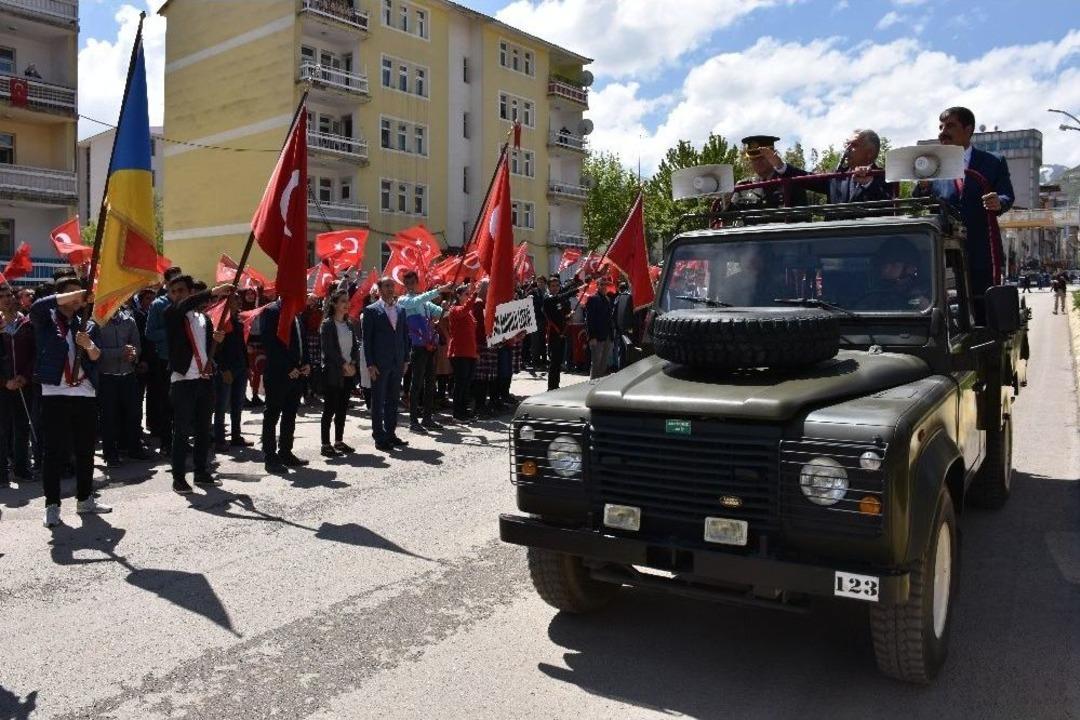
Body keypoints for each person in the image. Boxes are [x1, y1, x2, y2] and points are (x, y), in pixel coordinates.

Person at [30, 279, 110, 527]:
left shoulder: (87, 324)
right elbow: (37, 306)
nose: (77, 299)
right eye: (71, 294)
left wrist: (89, 345)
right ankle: (52, 505)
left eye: (79, 294)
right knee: (54, 452)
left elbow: (97, 357)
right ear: (60, 296)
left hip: (84, 392)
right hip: (55, 392)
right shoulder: (46, 318)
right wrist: (78, 293)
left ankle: (85, 499)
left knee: (85, 450)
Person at [914, 106, 1014, 304]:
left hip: (982, 254)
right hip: (944, 255)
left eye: (950, 126)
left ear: (968, 130)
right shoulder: (933, 166)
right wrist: (923, 186)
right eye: (940, 127)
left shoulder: (993, 162)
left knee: (981, 311)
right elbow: (919, 198)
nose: (942, 132)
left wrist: (997, 202)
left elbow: (1006, 196)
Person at [164, 276, 230, 493]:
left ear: (190, 292)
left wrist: (217, 343)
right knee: (182, 430)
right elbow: (184, 306)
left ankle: (201, 472)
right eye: (172, 292)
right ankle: (178, 477)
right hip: (183, 380)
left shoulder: (204, 319)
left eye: (181, 291)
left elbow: (208, 350)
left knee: (203, 429)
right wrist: (215, 290)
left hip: (204, 379)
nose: (176, 295)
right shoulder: (172, 314)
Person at [261, 296, 311, 473]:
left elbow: (301, 341)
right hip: (278, 374)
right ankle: (270, 455)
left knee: (290, 414)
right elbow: (270, 344)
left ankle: (285, 451)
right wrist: (287, 368)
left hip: (297, 374)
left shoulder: (296, 313)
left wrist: (306, 362)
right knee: (272, 414)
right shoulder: (272, 311)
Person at [398, 271, 452, 432]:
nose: (410, 285)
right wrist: (439, 290)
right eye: (407, 283)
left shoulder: (425, 303)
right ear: (404, 284)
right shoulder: (404, 300)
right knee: (416, 384)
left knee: (430, 383)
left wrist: (446, 306)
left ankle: (427, 418)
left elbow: (444, 313)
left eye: (413, 282)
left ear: (417, 282)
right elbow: (415, 301)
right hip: (417, 347)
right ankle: (413, 421)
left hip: (430, 345)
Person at [96, 299, 147, 468]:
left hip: (128, 374)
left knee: (134, 412)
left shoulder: (129, 320)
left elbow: (137, 346)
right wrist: (120, 352)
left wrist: (133, 354)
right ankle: (110, 453)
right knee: (108, 416)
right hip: (106, 376)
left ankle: (134, 447)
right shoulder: (96, 322)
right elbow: (96, 351)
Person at [363, 277, 410, 452]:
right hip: (379, 364)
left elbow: (404, 336)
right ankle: (379, 436)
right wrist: (370, 363)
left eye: (393, 286)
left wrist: (406, 359)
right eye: (387, 286)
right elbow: (367, 341)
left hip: (397, 362)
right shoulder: (371, 311)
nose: (391, 289)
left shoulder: (401, 310)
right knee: (378, 400)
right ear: (380, 289)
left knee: (393, 399)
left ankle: (391, 433)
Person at [144, 266, 183, 454]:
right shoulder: (158, 305)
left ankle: (181, 440)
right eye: (174, 282)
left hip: (184, 360)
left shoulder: (186, 304)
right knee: (166, 403)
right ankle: (167, 442)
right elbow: (150, 333)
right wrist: (170, 332)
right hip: (165, 359)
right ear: (166, 284)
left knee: (182, 403)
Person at [0, 283, 34, 486]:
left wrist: (24, 376)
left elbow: (34, 353)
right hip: (2, 387)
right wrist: (5, 382)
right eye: (1, 295)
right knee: (1, 430)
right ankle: (2, 473)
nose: (6, 298)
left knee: (22, 427)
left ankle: (21, 469)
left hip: (22, 385)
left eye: (9, 294)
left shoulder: (26, 322)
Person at [319, 289, 360, 457]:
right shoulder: (327, 324)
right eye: (343, 301)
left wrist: (353, 363)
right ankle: (325, 444)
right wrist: (344, 364)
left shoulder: (349, 323)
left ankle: (338, 441)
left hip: (348, 371)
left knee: (342, 407)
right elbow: (328, 350)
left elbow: (355, 346)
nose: (346, 304)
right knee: (330, 408)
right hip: (333, 372)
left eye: (347, 301)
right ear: (334, 304)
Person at [804, 129, 892, 204]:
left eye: (853, 145)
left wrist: (868, 184)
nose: (847, 149)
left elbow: (890, 209)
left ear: (870, 153)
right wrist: (789, 169)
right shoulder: (836, 177)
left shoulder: (886, 177)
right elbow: (807, 179)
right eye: (846, 144)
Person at [213, 292, 251, 451]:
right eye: (235, 298)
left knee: (238, 404)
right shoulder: (221, 321)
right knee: (221, 406)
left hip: (240, 368)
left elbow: (242, 346)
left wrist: (247, 366)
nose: (238, 300)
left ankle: (236, 436)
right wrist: (223, 369)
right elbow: (217, 349)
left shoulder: (238, 321)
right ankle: (219, 439)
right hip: (226, 369)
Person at [729, 135, 809, 209]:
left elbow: (802, 218)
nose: (758, 162)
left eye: (762, 158)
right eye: (754, 159)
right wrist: (725, 202)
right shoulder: (743, 187)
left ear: (773, 156)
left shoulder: (791, 182)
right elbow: (731, 212)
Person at [445, 284, 478, 420]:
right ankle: (458, 413)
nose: (468, 296)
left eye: (469, 294)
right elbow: (464, 310)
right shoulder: (454, 309)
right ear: (458, 296)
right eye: (466, 294)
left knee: (466, 384)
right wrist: (475, 295)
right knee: (461, 383)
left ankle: (464, 412)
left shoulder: (467, 311)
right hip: (459, 352)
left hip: (470, 352)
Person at [543, 275, 581, 391]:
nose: (555, 288)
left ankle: (556, 385)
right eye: (553, 286)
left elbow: (565, 313)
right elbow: (562, 296)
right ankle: (551, 387)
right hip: (554, 334)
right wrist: (579, 287)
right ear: (548, 287)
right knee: (554, 362)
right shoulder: (548, 299)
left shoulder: (561, 300)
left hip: (563, 333)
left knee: (559, 361)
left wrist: (569, 316)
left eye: (557, 286)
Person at [585, 278, 615, 379]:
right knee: (596, 363)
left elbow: (609, 318)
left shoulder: (607, 299)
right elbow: (589, 319)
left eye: (605, 285)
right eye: (601, 284)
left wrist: (611, 336)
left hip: (607, 336)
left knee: (604, 363)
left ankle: (600, 385)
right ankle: (592, 384)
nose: (603, 287)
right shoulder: (593, 299)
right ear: (597, 286)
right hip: (596, 337)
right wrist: (592, 336)